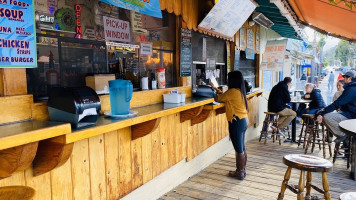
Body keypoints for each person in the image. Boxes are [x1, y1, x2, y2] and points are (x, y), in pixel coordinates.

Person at [212, 71, 249, 180]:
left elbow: (218, 98)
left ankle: (240, 172)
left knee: (238, 148)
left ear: (232, 80)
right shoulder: (240, 91)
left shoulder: (232, 91)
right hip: (243, 120)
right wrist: (215, 88)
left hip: (236, 122)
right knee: (242, 146)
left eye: (228, 79)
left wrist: (213, 90)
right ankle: (243, 170)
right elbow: (224, 96)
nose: (227, 80)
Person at [316, 71, 356, 139]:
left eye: (345, 77)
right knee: (326, 116)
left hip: (351, 116)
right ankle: (344, 137)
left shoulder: (352, 89)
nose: (343, 79)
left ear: (349, 78)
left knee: (327, 116)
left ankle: (344, 136)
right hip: (348, 114)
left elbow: (337, 103)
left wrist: (322, 113)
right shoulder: (352, 88)